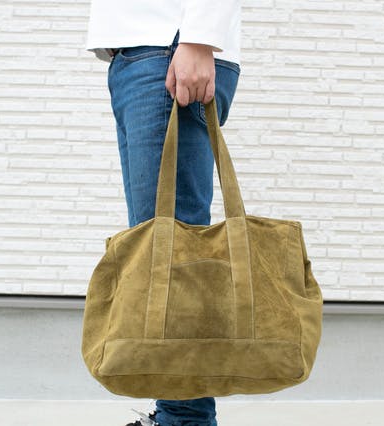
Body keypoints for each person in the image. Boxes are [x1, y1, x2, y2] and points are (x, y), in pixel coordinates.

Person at [85, 1, 241, 425]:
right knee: (162, 256)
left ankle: (184, 419)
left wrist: (198, 38)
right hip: (142, 55)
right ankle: (177, 414)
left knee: (174, 259)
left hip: (169, 51)